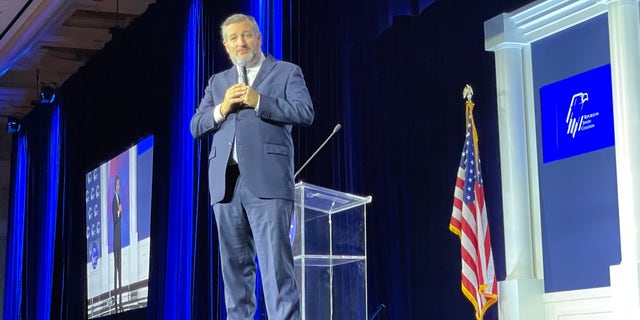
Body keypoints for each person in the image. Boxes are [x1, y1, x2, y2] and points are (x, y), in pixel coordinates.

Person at [190, 13, 314, 320]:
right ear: (225, 46)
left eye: (246, 35)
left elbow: (305, 112)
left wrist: (260, 101)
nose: (241, 43)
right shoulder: (218, 82)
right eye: (233, 38)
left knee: (276, 272)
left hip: (268, 184)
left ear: (258, 38)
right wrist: (221, 108)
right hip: (226, 187)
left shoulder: (286, 72)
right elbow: (196, 126)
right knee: (234, 275)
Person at [112, 175, 123, 312]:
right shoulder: (114, 200)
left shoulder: (119, 198)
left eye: (120, 184)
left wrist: (120, 212)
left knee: (120, 268)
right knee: (115, 269)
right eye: (118, 184)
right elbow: (115, 218)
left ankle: (120, 299)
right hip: (115, 241)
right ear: (115, 186)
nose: (119, 186)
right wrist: (119, 211)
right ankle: (115, 300)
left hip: (119, 240)